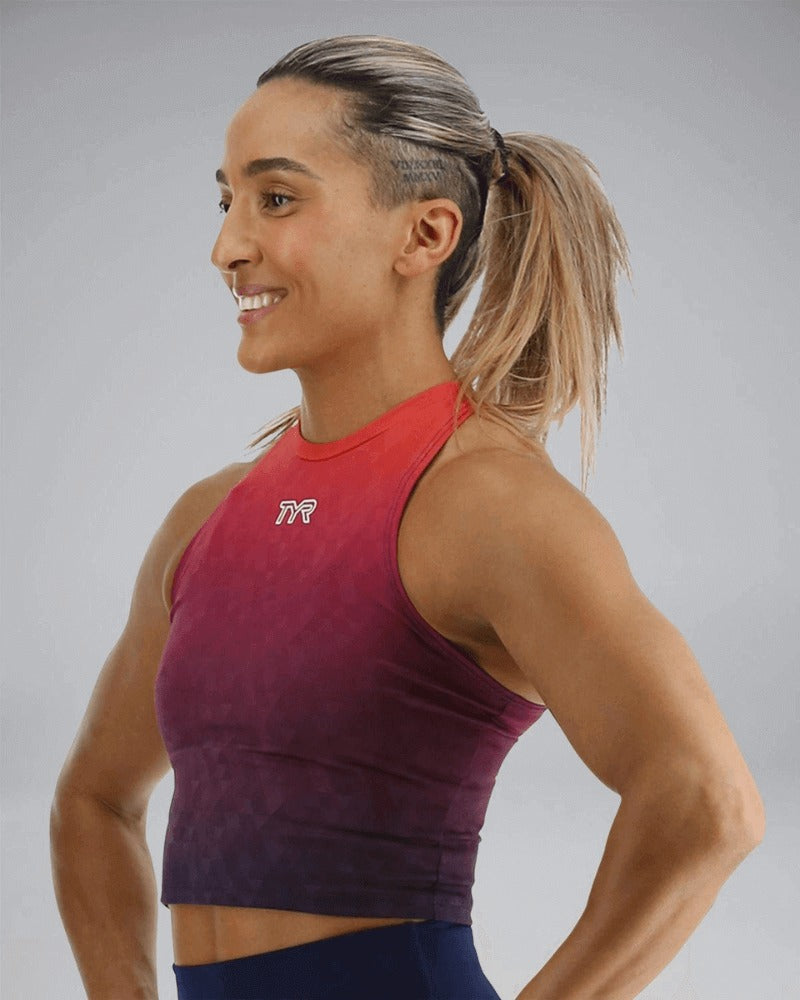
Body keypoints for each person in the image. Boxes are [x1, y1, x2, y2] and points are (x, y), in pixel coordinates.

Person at [50, 34, 765, 1000]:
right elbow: (93, 802)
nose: (228, 247)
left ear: (424, 236)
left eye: (277, 198)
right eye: (226, 201)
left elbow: (708, 803)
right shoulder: (205, 519)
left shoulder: (491, 506)